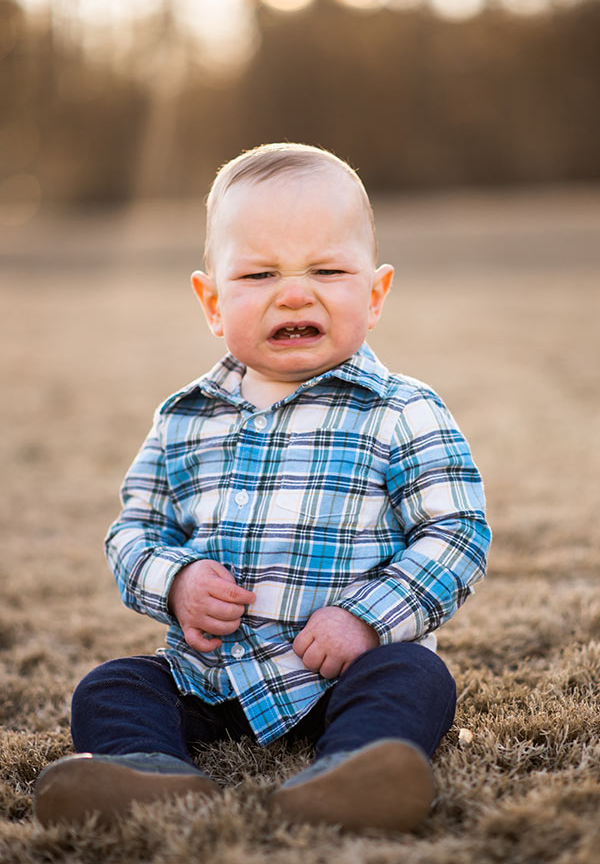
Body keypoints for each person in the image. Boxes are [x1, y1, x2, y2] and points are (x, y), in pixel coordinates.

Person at [34, 143, 491, 833]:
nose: (295, 292)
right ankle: (148, 771)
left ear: (374, 293)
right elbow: (133, 531)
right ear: (213, 301)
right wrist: (177, 580)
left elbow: (457, 532)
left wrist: (366, 617)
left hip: (350, 670)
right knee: (113, 685)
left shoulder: (401, 410)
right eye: (260, 272)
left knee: (416, 679)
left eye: (328, 269)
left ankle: (357, 768)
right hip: (213, 677)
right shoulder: (182, 420)